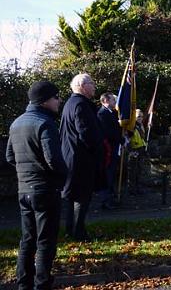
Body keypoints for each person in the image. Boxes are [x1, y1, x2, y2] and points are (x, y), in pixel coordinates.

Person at [5, 81, 67, 290]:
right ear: (45, 100)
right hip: (45, 190)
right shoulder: (45, 123)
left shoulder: (16, 123)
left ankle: (24, 284)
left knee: (27, 240)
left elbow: (10, 156)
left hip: (24, 190)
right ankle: (42, 284)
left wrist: (27, 172)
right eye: (56, 97)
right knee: (46, 242)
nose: (59, 101)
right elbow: (54, 161)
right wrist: (63, 176)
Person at [60, 73, 103, 242]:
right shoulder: (81, 105)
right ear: (83, 86)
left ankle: (71, 229)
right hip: (81, 159)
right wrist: (96, 149)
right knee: (81, 196)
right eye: (92, 83)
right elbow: (86, 133)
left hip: (71, 156)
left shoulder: (71, 103)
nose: (94, 86)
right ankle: (79, 232)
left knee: (72, 196)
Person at [97, 92, 122, 209]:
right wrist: (120, 139)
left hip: (114, 147)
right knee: (107, 174)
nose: (115, 102)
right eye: (113, 100)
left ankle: (111, 198)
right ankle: (105, 200)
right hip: (108, 149)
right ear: (106, 101)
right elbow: (108, 132)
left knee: (112, 173)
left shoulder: (113, 113)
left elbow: (117, 129)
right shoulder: (102, 114)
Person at [126, 109, 147, 195]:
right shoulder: (131, 126)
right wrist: (130, 150)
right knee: (132, 171)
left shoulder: (140, 125)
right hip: (134, 149)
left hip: (141, 149)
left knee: (139, 170)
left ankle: (138, 188)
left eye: (141, 117)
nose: (140, 118)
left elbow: (142, 137)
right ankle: (132, 189)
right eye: (138, 116)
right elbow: (127, 139)